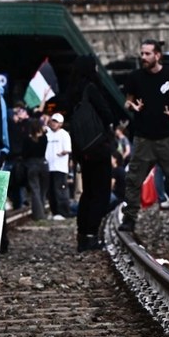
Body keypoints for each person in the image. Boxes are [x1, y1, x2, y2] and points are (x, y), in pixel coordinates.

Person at [118, 39, 169, 232]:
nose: (143, 57)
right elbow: (127, 102)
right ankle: (129, 217)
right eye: (142, 53)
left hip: (166, 137)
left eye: (147, 54)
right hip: (143, 137)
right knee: (134, 179)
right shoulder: (135, 77)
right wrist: (132, 106)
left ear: (157, 55)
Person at [65, 54, 116, 250]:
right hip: (98, 148)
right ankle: (92, 235)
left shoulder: (72, 92)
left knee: (87, 192)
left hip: (82, 150)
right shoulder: (91, 89)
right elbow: (107, 114)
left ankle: (82, 236)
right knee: (100, 193)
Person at [45, 112, 73, 219]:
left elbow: (68, 149)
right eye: (53, 121)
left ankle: (63, 212)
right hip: (49, 167)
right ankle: (54, 211)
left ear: (60, 124)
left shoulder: (64, 134)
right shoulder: (47, 133)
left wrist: (62, 153)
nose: (53, 123)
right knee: (51, 191)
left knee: (60, 190)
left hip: (59, 167)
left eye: (56, 122)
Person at [21, 117, 49, 220]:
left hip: (32, 165)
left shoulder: (28, 139)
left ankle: (38, 214)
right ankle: (42, 211)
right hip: (43, 163)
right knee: (43, 190)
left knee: (35, 190)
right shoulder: (44, 138)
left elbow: (24, 154)